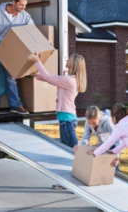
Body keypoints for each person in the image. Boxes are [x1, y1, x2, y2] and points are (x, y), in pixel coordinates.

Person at [28, 52, 87, 189]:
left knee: (72, 153)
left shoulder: (70, 80)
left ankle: (74, 183)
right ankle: (69, 182)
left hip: (67, 120)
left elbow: (49, 77)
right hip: (67, 119)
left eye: (70, 59)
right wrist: (35, 76)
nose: (67, 59)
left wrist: (37, 61)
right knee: (69, 152)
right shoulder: (69, 79)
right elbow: (50, 79)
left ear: (74, 64)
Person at [0, 0, 34, 114]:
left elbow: (31, 31)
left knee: (11, 76)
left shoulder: (25, 16)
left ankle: (16, 105)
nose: (24, 8)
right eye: (21, 5)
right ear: (13, 2)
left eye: (25, 5)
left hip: (10, 48)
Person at [74, 105, 121, 171]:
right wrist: (80, 146)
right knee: (103, 168)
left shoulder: (108, 122)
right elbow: (85, 137)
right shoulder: (88, 122)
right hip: (102, 146)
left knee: (113, 168)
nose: (92, 125)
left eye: (94, 123)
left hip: (114, 147)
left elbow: (117, 140)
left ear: (100, 118)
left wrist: (117, 157)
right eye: (90, 123)